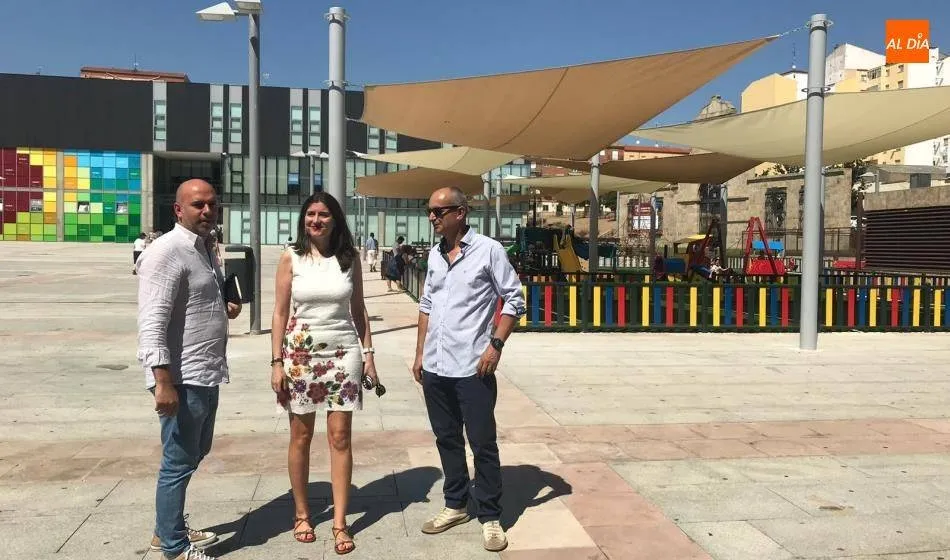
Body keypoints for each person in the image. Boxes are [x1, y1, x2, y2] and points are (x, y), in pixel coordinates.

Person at [411, 187, 525, 552]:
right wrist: (419, 354)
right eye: (429, 211)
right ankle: (456, 504)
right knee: (446, 438)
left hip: (473, 367)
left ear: (460, 212)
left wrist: (495, 346)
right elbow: (427, 305)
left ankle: (490, 514)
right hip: (436, 365)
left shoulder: (489, 250)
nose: (432, 217)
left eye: (438, 211)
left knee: (482, 442)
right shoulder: (434, 254)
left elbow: (515, 299)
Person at [136, 179, 242, 560]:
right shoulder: (167, 252)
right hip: (181, 376)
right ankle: (174, 546)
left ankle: (167, 528)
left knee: (196, 451)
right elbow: (152, 322)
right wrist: (162, 382)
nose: (208, 210)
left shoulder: (206, 249)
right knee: (178, 461)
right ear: (178, 210)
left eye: (213, 204)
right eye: (198, 204)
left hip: (206, 369)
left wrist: (225, 306)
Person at [270, 192, 379, 555]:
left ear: (335, 220)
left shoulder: (349, 258)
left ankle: (340, 522)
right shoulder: (291, 256)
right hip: (300, 354)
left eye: (324, 214)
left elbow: (359, 310)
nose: (316, 220)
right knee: (301, 435)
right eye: (310, 214)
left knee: (341, 436)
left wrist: (369, 355)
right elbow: (279, 313)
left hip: (343, 354)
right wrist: (276, 362)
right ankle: (302, 514)